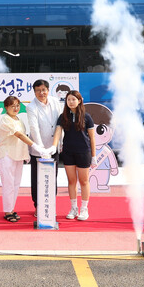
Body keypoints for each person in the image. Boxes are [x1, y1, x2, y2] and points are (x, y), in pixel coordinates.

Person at [48, 90, 96, 221]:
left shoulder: (87, 117)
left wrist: (93, 155)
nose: (71, 102)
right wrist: (54, 146)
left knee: (84, 181)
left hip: (83, 152)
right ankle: (73, 208)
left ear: (79, 101)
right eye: (68, 99)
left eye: (73, 99)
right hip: (68, 152)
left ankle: (84, 209)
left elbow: (92, 138)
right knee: (71, 181)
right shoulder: (63, 116)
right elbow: (58, 131)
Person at [0, 96, 44, 222]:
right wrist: (34, 146)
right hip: (7, 155)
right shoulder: (5, 120)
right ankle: (7, 211)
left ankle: (11, 208)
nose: (16, 108)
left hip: (18, 155)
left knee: (16, 184)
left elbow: (23, 136)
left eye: (17, 105)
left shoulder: (18, 119)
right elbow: (19, 135)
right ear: (6, 107)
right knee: (8, 184)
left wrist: (27, 153)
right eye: (12, 106)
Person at [25, 79, 63, 212]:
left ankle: (50, 204)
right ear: (34, 92)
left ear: (48, 90)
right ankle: (37, 206)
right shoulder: (31, 107)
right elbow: (34, 128)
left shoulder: (55, 101)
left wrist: (57, 144)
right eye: (38, 90)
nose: (41, 93)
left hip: (53, 147)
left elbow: (60, 123)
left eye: (44, 90)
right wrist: (41, 149)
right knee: (37, 178)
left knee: (53, 176)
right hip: (38, 150)